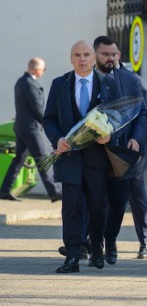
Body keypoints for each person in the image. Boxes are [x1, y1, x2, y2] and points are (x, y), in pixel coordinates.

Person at [43, 40, 115, 273]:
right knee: (71, 208)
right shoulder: (59, 84)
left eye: (86, 55)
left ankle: (96, 248)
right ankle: (72, 257)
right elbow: (49, 119)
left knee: (98, 207)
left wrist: (108, 135)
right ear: (71, 58)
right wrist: (57, 139)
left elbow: (117, 118)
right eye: (77, 55)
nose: (82, 59)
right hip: (69, 158)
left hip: (97, 158)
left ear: (94, 58)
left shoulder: (108, 84)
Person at [93, 36, 147, 263]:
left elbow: (144, 113)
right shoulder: (91, 80)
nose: (110, 58)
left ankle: (141, 240)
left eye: (114, 54)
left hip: (127, 155)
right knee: (97, 200)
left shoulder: (133, 80)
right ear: (97, 54)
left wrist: (136, 139)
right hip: (98, 152)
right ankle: (90, 243)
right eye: (106, 54)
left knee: (130, 199)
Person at [0, 58, 62, 202]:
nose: (43, 72)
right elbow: (37, 108)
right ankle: (54, 191)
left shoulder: (21, 82)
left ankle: (4, 190)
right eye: (43, 69)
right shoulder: (30, 84)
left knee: (19, 160)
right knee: (42, 159)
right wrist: (46, 122)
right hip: (30, 129)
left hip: (21, 127)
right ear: (36, 69)